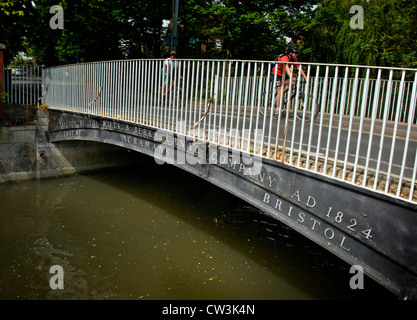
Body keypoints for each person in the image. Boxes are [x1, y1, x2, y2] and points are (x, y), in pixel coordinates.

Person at [272, 46, 307, 114]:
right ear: (290, 53)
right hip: (276, 74)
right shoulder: (285, 58)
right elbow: (287, 68)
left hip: (282, 75)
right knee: (279, 90)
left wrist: (306, 78)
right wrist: (290, 76)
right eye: (295, 53)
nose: (296, 55)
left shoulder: (294, 59)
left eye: (297, 53)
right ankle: (277, 108)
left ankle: (284, 92)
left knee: (293, 81)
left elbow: (299, 68)